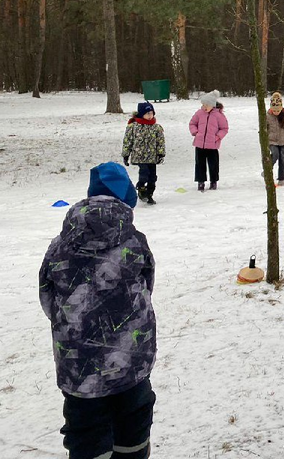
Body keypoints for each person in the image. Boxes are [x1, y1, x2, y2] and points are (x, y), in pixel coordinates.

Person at [39, 162, 157, 459]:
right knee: (132, 424)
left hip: (79, 366)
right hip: (131, 361)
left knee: (85, 431)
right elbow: (147, 283)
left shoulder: (60, 244)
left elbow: (47, 294)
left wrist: (72, 323)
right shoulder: (134, 240)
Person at [122, 101, 165, 206]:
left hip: (152, 157)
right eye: (147, 114)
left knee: (152, 177)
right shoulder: (133, 127)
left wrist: (161, 154)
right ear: (141, 114)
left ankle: (149, 194)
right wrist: (126, 154)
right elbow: (128, 141)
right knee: (144, 173)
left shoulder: (156, 127)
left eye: (151, 113)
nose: (150, 116)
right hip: (140, 156)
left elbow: (160, 141)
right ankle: (141, 188)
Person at [189, 90, 229, 191]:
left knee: (213, 165)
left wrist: (217, 137)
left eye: (206, 105)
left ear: (212, 105)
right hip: (200, 144)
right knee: (200, 164)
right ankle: (200, 182)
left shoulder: (219, 115)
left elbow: (224, 128)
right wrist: (195, 132)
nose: (204, 107)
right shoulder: (199, 113)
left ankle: (213, 182)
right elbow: (192, 123)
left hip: (212, 145)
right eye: (203, 104)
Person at [266, 92, 284, 186]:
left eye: (278, 111)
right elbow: (263, 128)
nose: (276, 112)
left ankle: (282, 178)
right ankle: (267, 170)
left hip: (283, 141)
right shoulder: (267, 116)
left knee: (282, 158)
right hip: (272, 141)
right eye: (274, 110)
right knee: (275, 154)